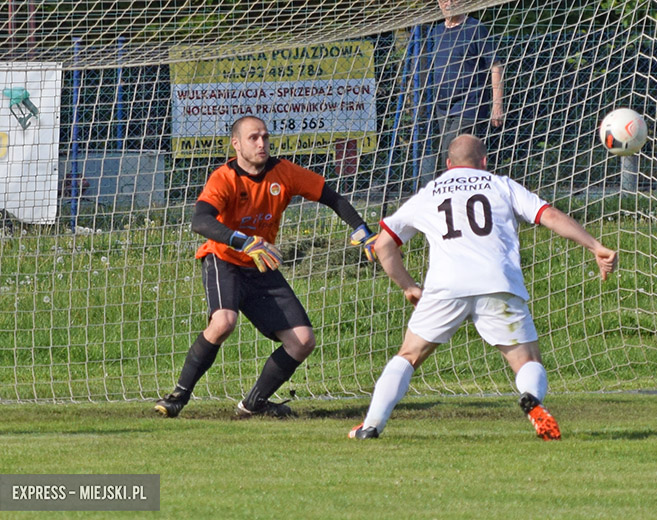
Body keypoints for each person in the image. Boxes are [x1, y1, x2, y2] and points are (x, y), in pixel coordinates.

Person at [349, 134, 616, 440]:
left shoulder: (430, 192)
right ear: (484, 162)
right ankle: (532, 400)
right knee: (527, 362)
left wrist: (408, 286)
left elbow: (383, 246)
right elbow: (549, 216)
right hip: (496, 282)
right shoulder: (500, 184)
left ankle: (370, 426)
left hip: (445, 285)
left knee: (408, 355)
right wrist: (595, 246)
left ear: (448, 164)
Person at [155, 116, 377, 418]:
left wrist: (361, 231)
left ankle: (253, 404)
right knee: (223, 323)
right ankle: (178, 396)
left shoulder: (283, 172)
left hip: (261, 266)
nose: (262, 144)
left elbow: (331, 197)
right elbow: (200, 221)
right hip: (224, 261)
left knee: (302, 341)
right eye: (253, 138)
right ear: (236, 144)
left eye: (265, 137)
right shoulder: (224, 178)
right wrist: (242, 241)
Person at [428, 0, 504, 171]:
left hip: (469, 105)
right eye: (443, 0)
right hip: (443, 108)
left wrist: (497, 104)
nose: (448, 4)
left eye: (452, 0)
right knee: (447, 156)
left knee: (453, 156)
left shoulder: (475, 28)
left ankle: (457, 195)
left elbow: (495, 65)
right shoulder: (436, 31)